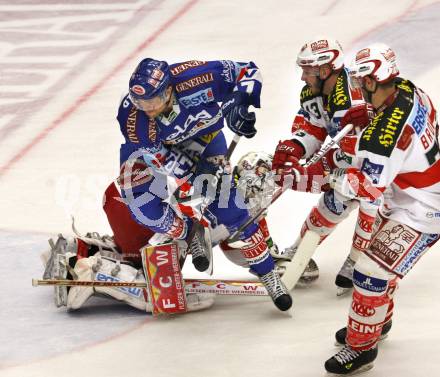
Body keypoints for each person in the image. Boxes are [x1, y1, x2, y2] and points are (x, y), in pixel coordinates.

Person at [43, 58, 292, 312]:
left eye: (152, 102)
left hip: (205, 140)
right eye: (141, 102)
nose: (147, 109)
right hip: (152, 154)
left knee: (231, 209)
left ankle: (269, 275)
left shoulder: (196, 77)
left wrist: (238, 103)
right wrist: (195, 182)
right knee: (144, 207)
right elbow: (165, 164)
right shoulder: (135, 118)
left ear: (169, 89)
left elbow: (248, 72)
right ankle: (189, 233)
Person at [320, 43, 440, 374]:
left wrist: (330, 174)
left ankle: (361, 349)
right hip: (411, 193)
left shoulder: (384, 138)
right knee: (378, 266)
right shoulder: (407, 89)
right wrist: (365, 129)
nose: (357, 88)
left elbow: (367, 186)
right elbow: (390, 136)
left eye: (360, 82)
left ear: (373, 81)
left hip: (424, 209)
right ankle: (375, 324)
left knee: (370, 271)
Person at [271, 36, 378, 293]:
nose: (302, 77)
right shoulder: (312, 92)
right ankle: (300, 252)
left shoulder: (351, 97)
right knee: (331, 196)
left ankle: (360, 260)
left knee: (353, 193)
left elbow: (357, 159)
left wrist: (316, 168)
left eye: (307, 71)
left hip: (386, 166)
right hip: (356, 161)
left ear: (325, 70)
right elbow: (314, 129)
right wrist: (295, 147)